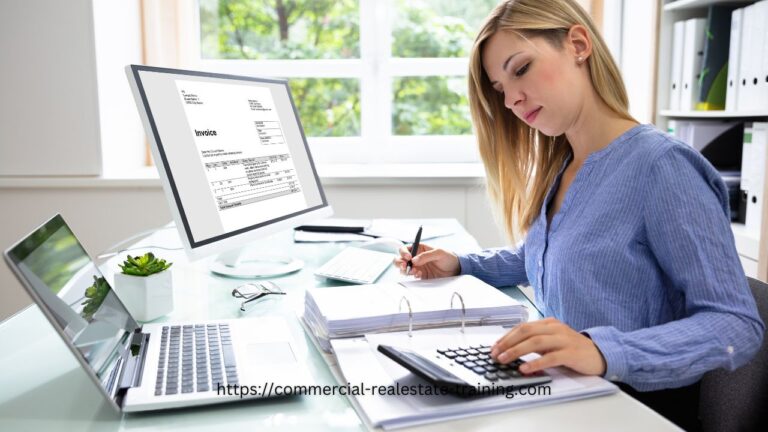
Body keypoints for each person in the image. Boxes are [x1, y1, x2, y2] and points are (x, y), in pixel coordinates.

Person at [393, 0, 764, 429]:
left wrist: (603, 351)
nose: (512, 99)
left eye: (521, 69)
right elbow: (554, 252)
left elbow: (735, 324)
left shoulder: (662, 167)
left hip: (628, 411)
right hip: (564, 397)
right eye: (500, 88)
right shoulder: (565, 165)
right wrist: (460, 263)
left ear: (578, 44)